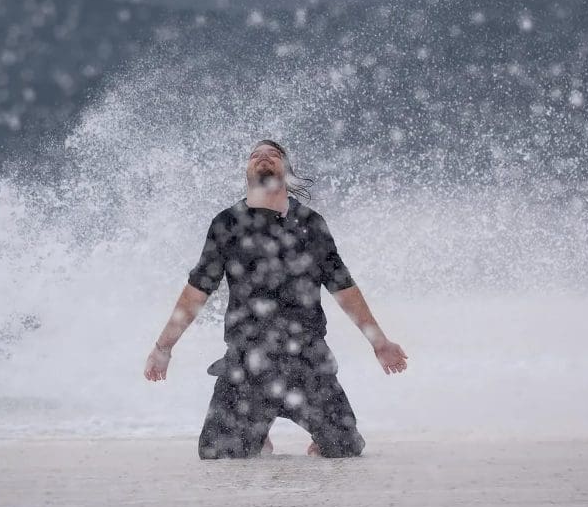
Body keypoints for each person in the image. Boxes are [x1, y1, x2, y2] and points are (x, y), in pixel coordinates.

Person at [143, 139, 408, 458]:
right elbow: (197, 291)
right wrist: (163, 348)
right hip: (246, 364)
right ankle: (256, 431)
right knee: (218, 458)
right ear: (247, 173)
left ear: (287, 172)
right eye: (255, 155)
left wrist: (379, 342)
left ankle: (296, 432)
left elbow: (343, 287)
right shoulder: (227, 224)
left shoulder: (310, 224)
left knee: (345, 450)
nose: (263, 158)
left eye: (273, 155)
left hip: (307, 361)